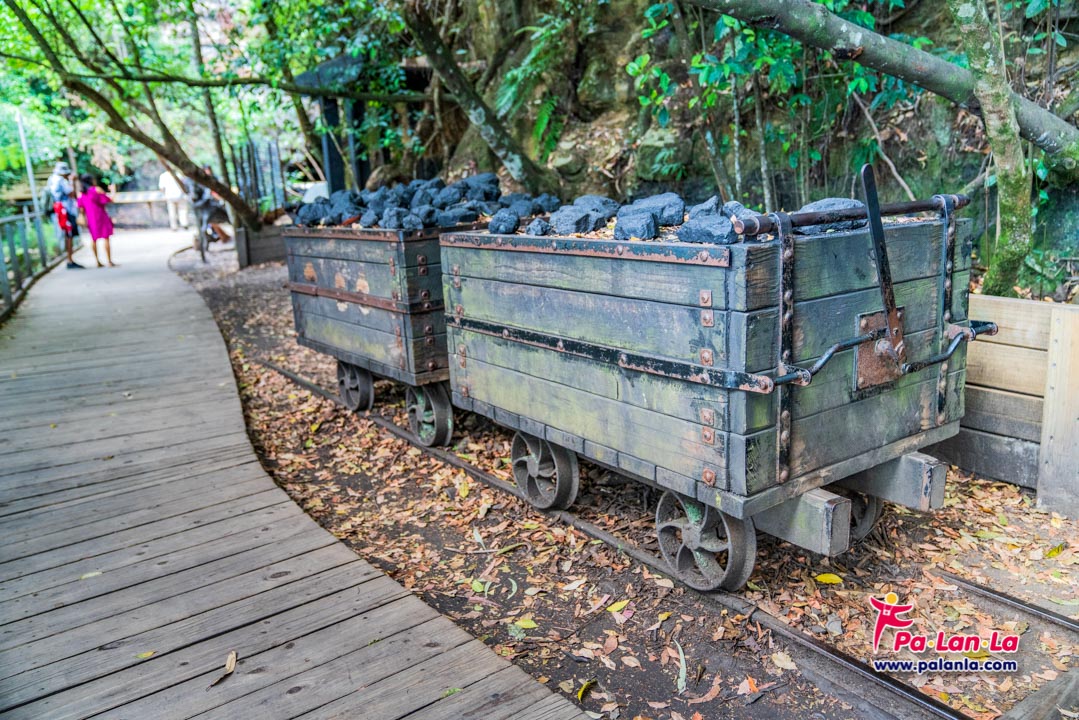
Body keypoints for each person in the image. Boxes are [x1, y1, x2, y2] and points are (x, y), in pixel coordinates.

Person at [47, 161, 82, 269]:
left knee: (68, 234)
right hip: (65, 210)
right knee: (69, 235)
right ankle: (69, 260)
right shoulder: (60, 180)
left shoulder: (51, 179)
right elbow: (71, 193)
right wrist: (72, 181)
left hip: (60, 210)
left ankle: (69, 259)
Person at [77, 174, 117, 267]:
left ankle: (97, 261)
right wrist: (113, 190)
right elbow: (109, 200)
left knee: (94, 239)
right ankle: (109, 261)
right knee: (106, 237)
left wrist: (84, 218)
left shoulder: (81, 194)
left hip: (90, 218)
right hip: (101, 216)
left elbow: (81, 209)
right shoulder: (96, 190)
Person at [186, 165, 232, 245]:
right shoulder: (194, 183)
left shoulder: (212, 179)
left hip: (212, 206)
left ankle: (220, 236)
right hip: (204, 207)